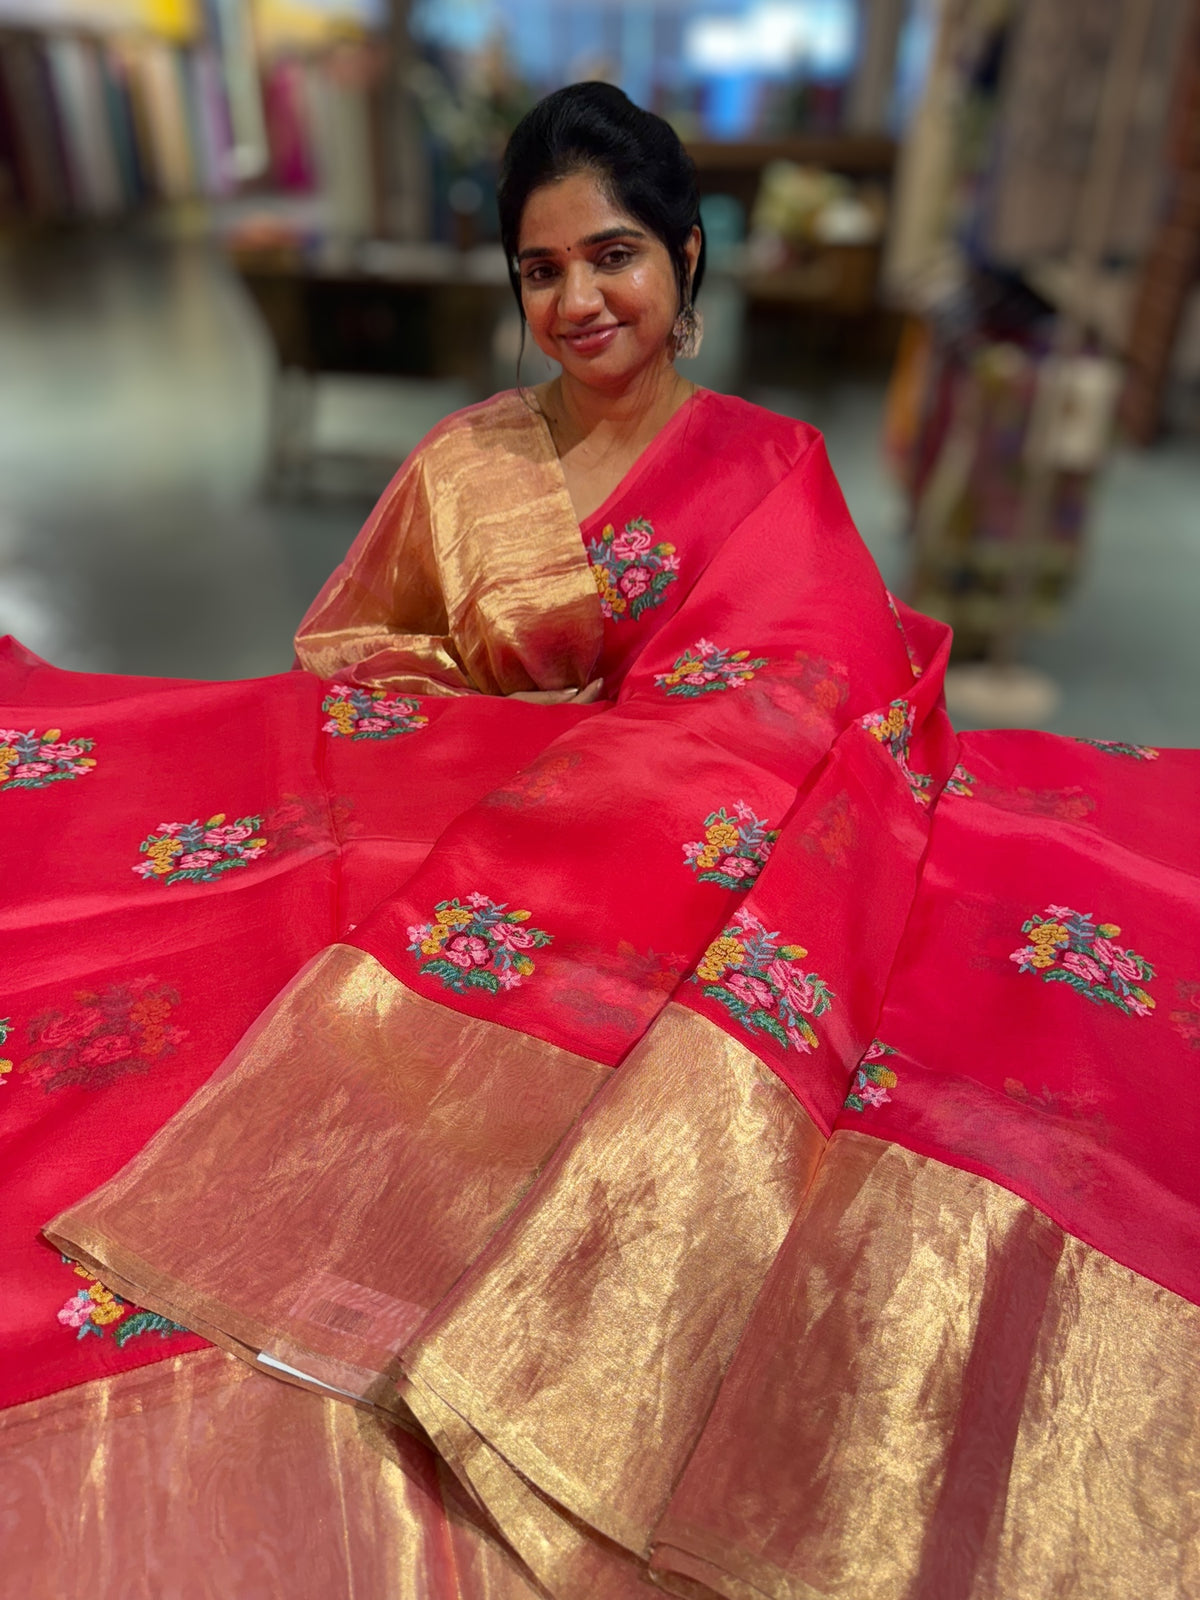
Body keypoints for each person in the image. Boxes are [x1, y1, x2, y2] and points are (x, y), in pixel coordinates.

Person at [3, 83, 1199, 1600]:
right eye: (542, 269)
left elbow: (798, 692)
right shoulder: (467, 465)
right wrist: (502, 722)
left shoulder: (769, 471)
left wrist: (623, 751)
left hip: (692, 853)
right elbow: (355, 661)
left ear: (689, 264)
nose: (580, 299)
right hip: (483, 833)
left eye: (614, 255)